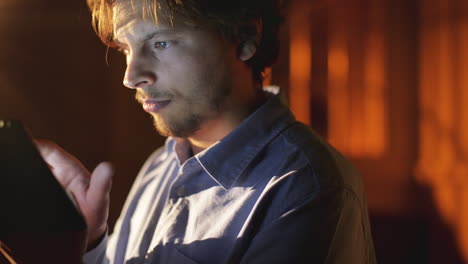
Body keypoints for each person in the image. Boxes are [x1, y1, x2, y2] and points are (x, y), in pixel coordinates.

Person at [37, 0, 377, 263]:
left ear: (245, 38)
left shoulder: (305, 185)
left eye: (161, 43)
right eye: (126, 49)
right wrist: (88, 242)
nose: (131, 76)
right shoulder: (162, 164)